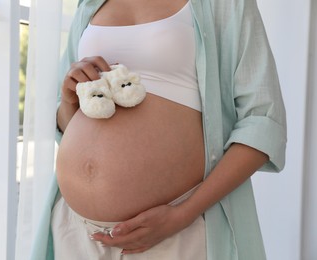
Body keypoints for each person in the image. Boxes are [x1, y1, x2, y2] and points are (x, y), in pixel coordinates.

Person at [30, 0, 287, 259]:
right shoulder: (89, 4)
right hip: (76, 231)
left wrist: (183, 214)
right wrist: (70, 98)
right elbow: (66, 122)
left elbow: (262, 120)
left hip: (175, 230)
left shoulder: (226, 4)